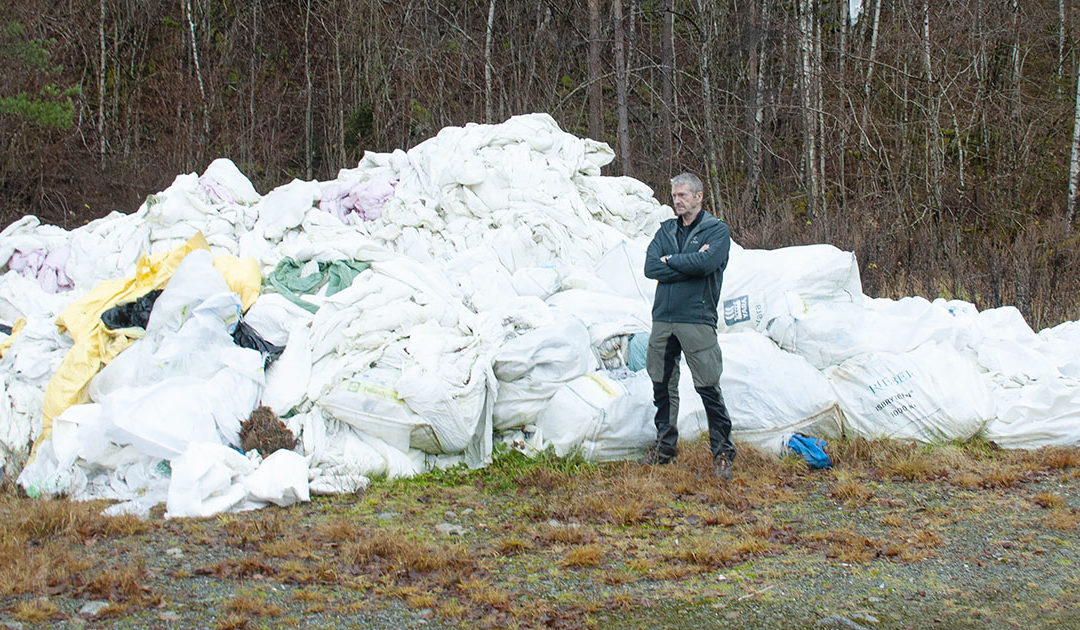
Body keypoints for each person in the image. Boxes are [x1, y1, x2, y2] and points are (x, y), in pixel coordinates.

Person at [642, 172, 736, 479]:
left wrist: (672, 262)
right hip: (663, 319)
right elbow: (650, 267)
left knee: (708, 384)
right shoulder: (665, 230)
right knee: (662, 384)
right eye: (674, 196)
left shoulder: (716, 231)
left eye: (683, 195)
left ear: (698, 196)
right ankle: (665, 447)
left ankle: (722, 451)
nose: (677, 201)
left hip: (696, 317)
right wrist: (686, 262)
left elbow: (707, 264)